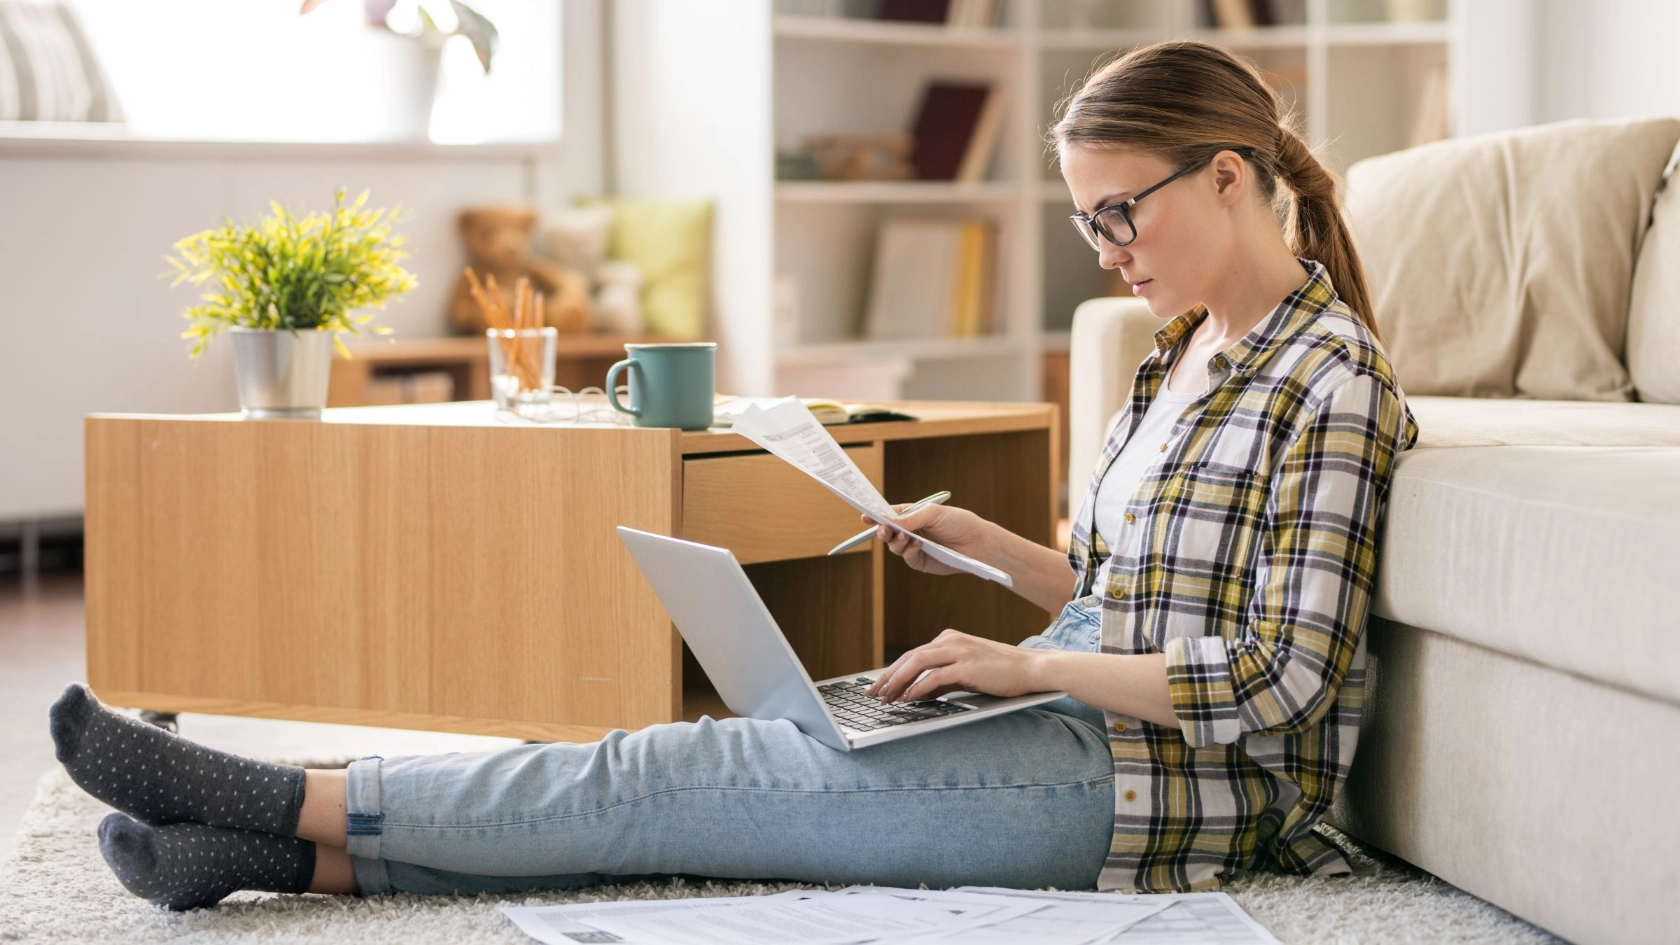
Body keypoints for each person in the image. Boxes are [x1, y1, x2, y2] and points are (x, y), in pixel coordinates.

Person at [49, 40, 1417, 911]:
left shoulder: (1331, 382)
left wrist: (1024, 667)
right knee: (702, 764)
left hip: (1161, 792)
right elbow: (1123, 596)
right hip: (1079, 727)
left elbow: (1278, 680)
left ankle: (282, 802)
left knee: (680, 780)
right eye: (1085, 218)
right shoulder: (1164, 358)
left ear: (1232, 177)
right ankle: (296, 860)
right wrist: (990, 551)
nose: (1106, 247)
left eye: (1124, 211)